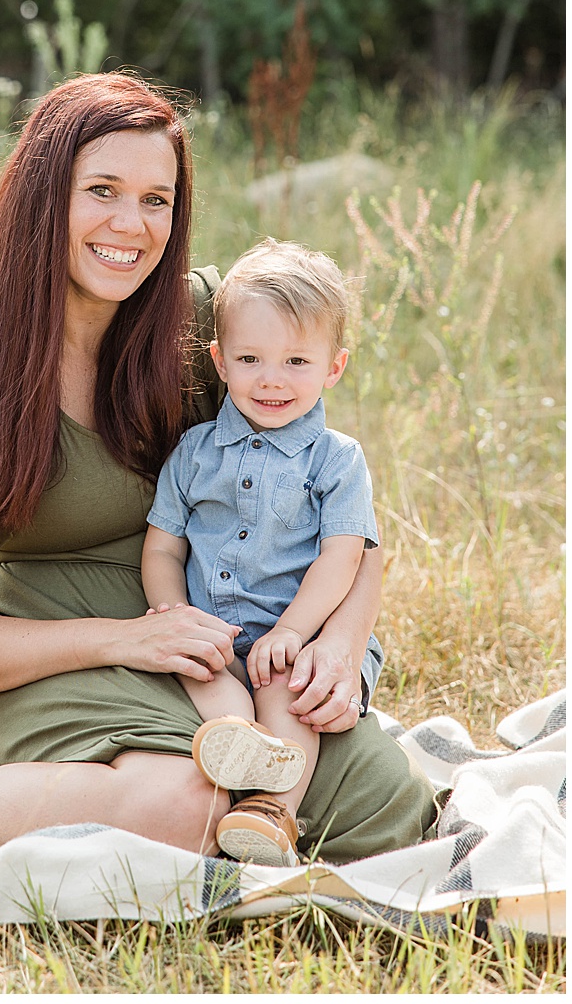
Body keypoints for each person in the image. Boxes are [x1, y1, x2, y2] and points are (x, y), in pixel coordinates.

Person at [0, 73, 434, 864]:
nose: (130, 226)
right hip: (64, 659)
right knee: (189, 805)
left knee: (387, 813)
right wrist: (126, 639)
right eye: (102, 190)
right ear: (44, 199)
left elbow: (348, 521)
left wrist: (339, 646)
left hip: (220, 646)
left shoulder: (207, 323)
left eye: (156, 200)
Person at [143, 239, 380, 866]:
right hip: (214, 636)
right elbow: (163, 548)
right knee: (213, 686)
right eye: (250, 358)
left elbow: (344, 553)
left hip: (295, 637)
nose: (271, 379)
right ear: (220, 362)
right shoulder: (195, 452)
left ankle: (272, 815)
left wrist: (295, 630)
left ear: (335, 367)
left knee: (287, 696)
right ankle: (240, 758)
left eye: (297, 360)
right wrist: (174, 614)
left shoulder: (337, 460)